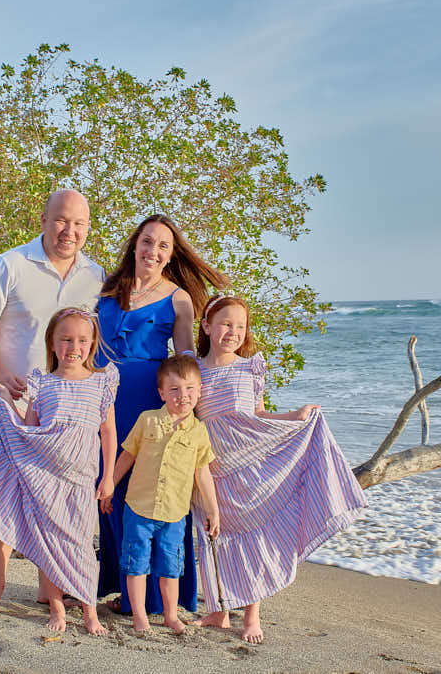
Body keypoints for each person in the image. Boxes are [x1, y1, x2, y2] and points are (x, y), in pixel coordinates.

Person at [190, 294, 368, 643]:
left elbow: (258, 414)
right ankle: (218, 610)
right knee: (214, 535)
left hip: (251, 464)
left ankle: (252, 615)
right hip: (211, 465)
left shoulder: (251, 366)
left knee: (254, 535)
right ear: (207, 326)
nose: (234, 332)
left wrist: (295, 416)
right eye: (226, 323)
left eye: (241, 326)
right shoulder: (193, 367)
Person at [0, 189, 105, 613]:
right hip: (12, 402)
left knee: (57, 497)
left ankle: (53, 586)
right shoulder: (10, 264)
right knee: (2, 492)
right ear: (43, 220)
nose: (70, 231)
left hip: (63, 410)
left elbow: (94, 342)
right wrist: (0, 374)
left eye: (79, 224)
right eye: (62, 220)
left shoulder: (95, 276)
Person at [94, 214, 229, 615]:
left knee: (150, 492)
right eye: (148, 242)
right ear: (135, 244)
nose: (153, 251)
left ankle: (159, 597)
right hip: (103, 398)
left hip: (147, 401)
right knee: (110, 490)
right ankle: (123, 588)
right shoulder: (106, 288)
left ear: (171, 255)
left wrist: (199, 408)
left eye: (163, 246)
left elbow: (186, 358)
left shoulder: (179, 298)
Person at [0, 307, 117, 635]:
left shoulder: (101, 382)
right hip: (46, 480)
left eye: (82, 340)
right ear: (52, 344)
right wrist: (4, 406)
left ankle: (89, 611)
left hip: (81, 478)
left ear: (92, 344)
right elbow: (29, 434)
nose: (74, 347)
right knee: (49, 543)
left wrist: (108, 476)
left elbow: (108, 432)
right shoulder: (43, 383)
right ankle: (56, 608)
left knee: (82, 543)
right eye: (66, 339)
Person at [101, 355, 220, 633]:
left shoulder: (199, 432)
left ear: (200, 391)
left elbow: (202, 473)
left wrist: (213, 509)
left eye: (190, 389)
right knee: (136, 564)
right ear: (162, 393)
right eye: (175, 390)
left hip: (175, 513)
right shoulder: (148, 420)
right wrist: (109, 485)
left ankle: (170, 615)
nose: (183, 396)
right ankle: (140, 615)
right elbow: (126, 456)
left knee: (170, 567)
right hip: (138, 509)